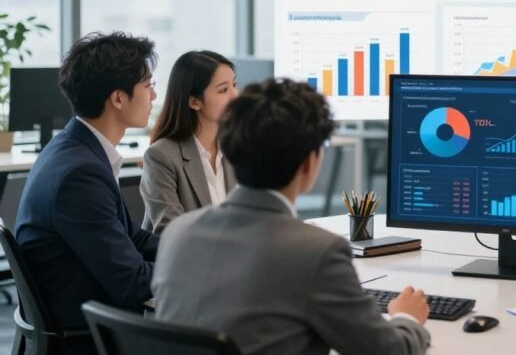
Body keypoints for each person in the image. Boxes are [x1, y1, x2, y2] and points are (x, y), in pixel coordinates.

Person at [152, 79, 430, 355]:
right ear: (311, 161)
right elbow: (390, 352)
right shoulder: (316, 252)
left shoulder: (178, 232)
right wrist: (406, 318)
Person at [15, 32, 160, 354]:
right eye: (149, 86)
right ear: (118, 98)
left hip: (88, 318)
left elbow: (132, 238)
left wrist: (198, 249)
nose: (153, 96)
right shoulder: (80, 173)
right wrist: (203, 266)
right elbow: (131, 283)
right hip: (90, 338)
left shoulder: (75, 148)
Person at [142, 50, 239, 233]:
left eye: (235, 85)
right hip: (188, 259)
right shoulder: (161, 156)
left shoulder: (237, 148)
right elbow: (171, 229)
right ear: (194, 102)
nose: (235, 96)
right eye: (224, 90)